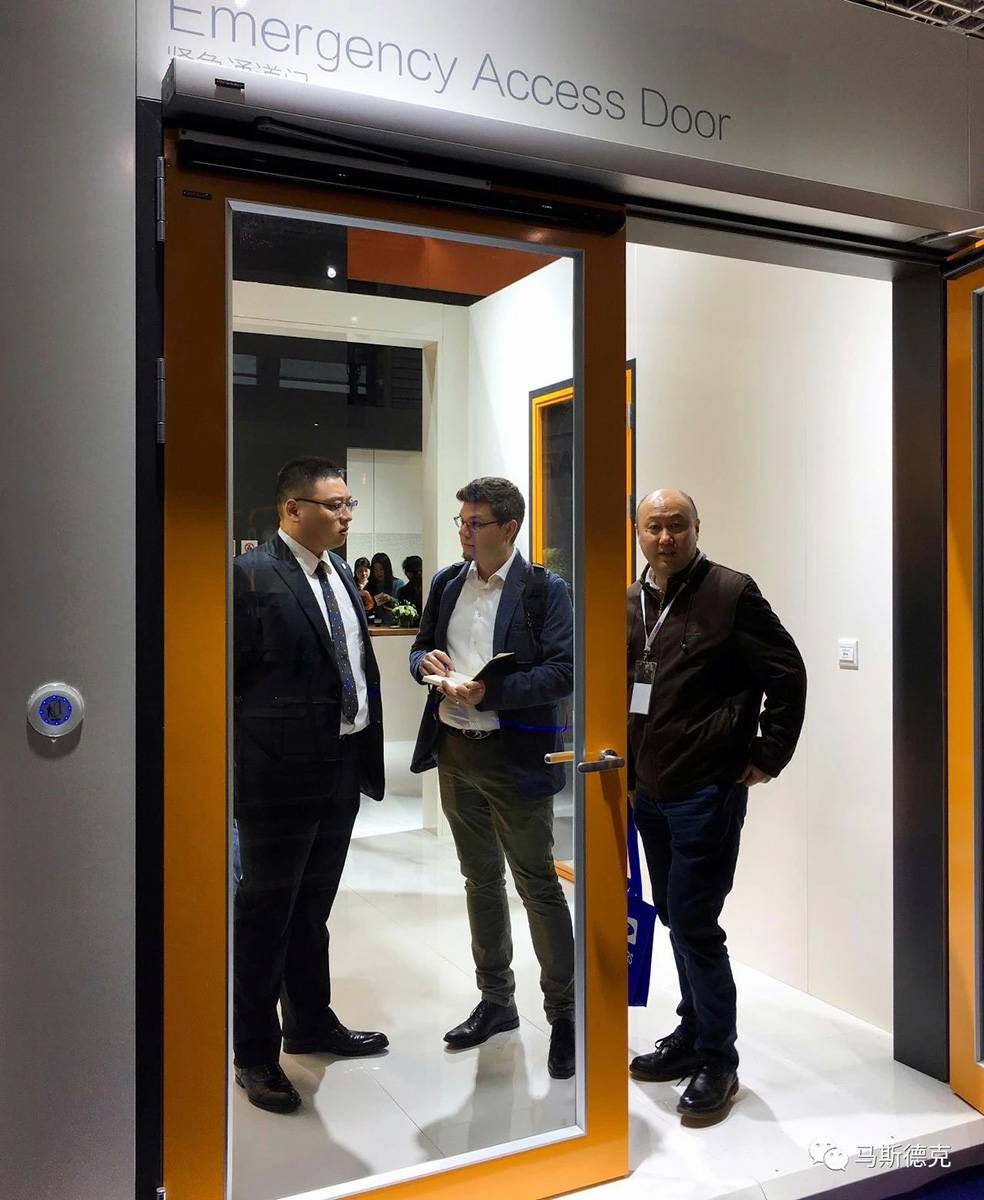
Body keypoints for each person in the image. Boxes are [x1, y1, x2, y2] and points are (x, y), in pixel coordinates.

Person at [626, 488, 807, 1119]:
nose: (666, 537)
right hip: (649, 791)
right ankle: (691, 1031)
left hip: (706, 788)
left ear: (697, 528)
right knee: (675, 916)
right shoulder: (631, 599)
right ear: (639, 533)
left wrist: (768, 753)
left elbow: (787, 674)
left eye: (677, 525)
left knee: (695, 922)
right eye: (654, 526)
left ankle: (718, 1060)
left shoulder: (731, 593)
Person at [233, 457, 388, 1114]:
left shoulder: (339, 575)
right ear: (292, 510)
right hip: (277, 776)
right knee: (265, 916)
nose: (346, 516)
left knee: (312, 911)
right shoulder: (250, 575)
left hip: (341, 765)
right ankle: (253, 1054)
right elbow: (230, 683)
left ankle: (310, 1022)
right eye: (334, 505)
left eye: (349, 504)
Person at [409, 476, 577, 1080]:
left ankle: (565, 1014)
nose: (464, 532)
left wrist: (491, 692)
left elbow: (564, 672)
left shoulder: (543, 590)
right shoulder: (445, 583)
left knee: (537, 884)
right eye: (461, 521)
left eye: (475, 523)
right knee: (479, 880)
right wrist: (425, 664)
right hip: (456, 753)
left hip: (515, 758)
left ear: (510, 528)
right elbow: (420, 650)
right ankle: (496, 1001)